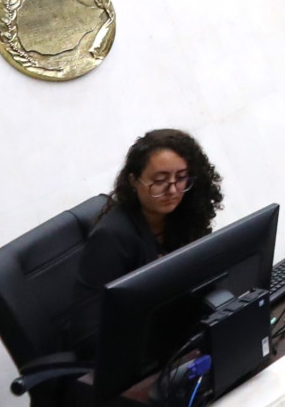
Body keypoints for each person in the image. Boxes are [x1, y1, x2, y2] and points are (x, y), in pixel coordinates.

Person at [72, 129, 225, 355]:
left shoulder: (183, 217)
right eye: (159, 181)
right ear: (134, 180)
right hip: (135, 357)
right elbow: (88, 335)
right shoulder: (112, 237)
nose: (172, 190)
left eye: (181, 178)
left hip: (183, 338)